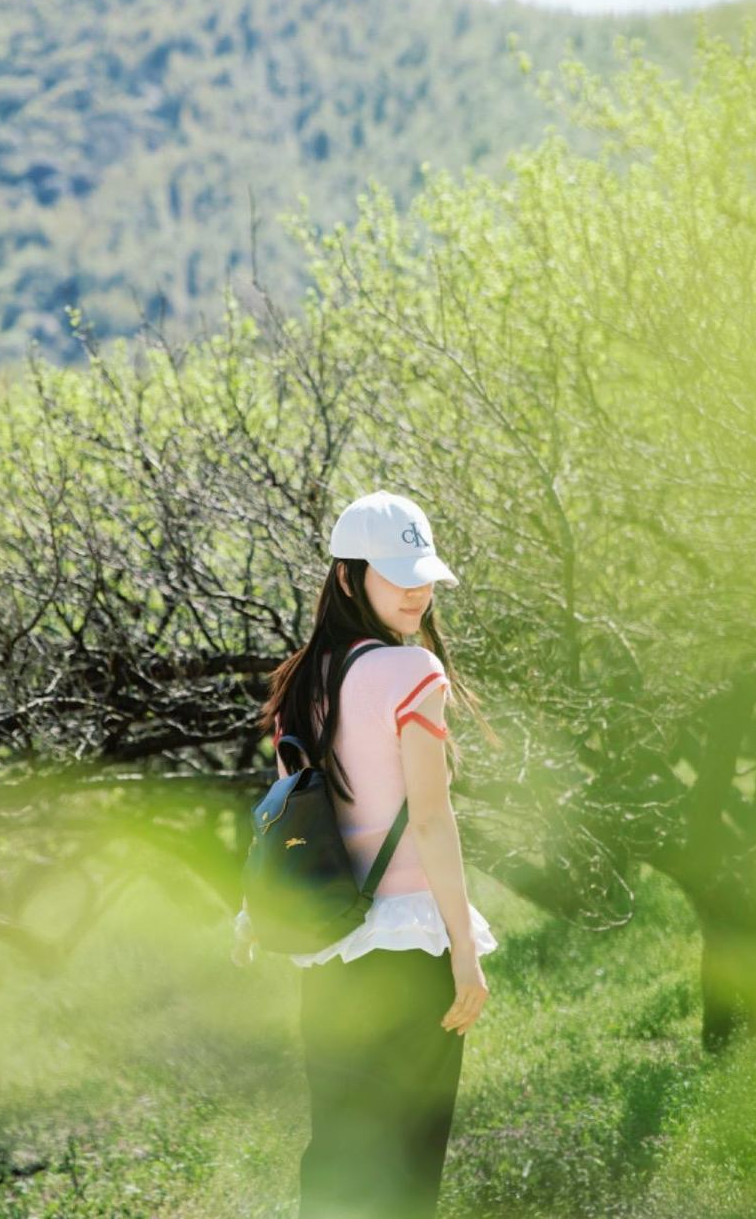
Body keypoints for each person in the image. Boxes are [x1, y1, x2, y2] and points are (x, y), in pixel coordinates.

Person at [233, 489, 498, 1219]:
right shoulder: (413, 671)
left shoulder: (300, 679)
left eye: (423, 576)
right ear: (348, 578)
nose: (416, 592)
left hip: (330, 944)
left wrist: (253, 909)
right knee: (408, 1162)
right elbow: (432, 820)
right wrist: (465, 951)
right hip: (410, 949)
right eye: (396, 575)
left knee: (340, 1153)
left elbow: (288, 813)